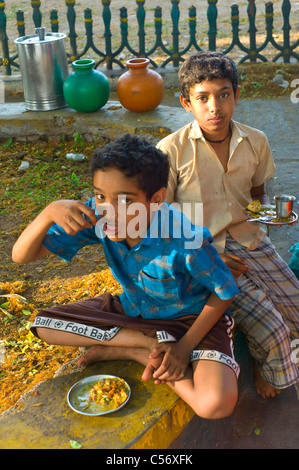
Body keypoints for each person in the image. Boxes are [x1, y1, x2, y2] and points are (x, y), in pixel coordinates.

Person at [12, 133, 240, 419]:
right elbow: (21, 256)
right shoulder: (98, 218)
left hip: (192, 320)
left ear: (156, 200)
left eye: (125, 201)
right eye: (100, 196)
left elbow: (224, 292)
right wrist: (48, 212)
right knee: (44, 326)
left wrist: (183, 348)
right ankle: (142, 348)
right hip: (136, 315)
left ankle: (133, 347)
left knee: (214, 405)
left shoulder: (184, 239)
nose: (108, 211)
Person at [156, 51, 299, 399]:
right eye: (202, 98)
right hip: (202, 253)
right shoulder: (170, 151)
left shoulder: (256, 141)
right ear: (186, 103)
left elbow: (258, 194)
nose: (214, 107)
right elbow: (160, 224)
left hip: (251, 240)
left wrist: (268, 213)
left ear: (236, 95)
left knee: (295, 307)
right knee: (273, 327)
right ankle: (269, 370)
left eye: (223, 95)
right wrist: (204, 260)